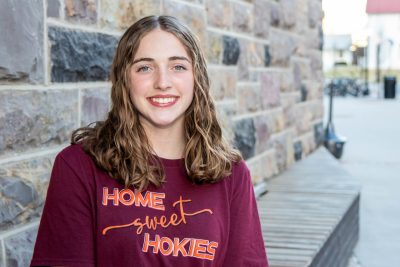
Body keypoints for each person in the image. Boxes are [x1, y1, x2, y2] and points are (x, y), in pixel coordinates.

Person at [30, 15, 269, 267]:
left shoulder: (231, 174)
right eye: (145, 67)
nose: (162, 83)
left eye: (178, 66)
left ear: (196, 77)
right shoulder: (79, 168)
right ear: (125, 79)